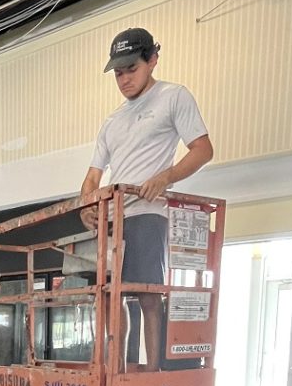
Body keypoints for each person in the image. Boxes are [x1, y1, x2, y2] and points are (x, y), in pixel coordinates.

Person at [80, 28, 213, 368]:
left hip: (147, 213)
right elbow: (93, 175)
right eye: (119, 73)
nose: (124, 79)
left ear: (152, 60)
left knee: (148, 295)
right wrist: (86, 206)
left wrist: (166, 177)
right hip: (113, 215)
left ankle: (152, 372)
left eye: (131, 69)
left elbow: (203, 150)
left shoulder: (173, 97)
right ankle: (117, 368)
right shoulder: (112, 121)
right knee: (111, 297)